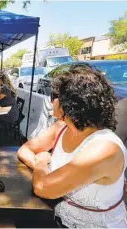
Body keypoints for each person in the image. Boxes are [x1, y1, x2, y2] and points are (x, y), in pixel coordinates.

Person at [17, 68, 127, 227]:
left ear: (71, 104)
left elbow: (42, 187)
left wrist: (42, 162)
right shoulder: (61, 127)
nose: (51, 101)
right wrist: (46, 172)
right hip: (58, 218)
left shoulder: (105, 148)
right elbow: (25, 150)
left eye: (55, 96)